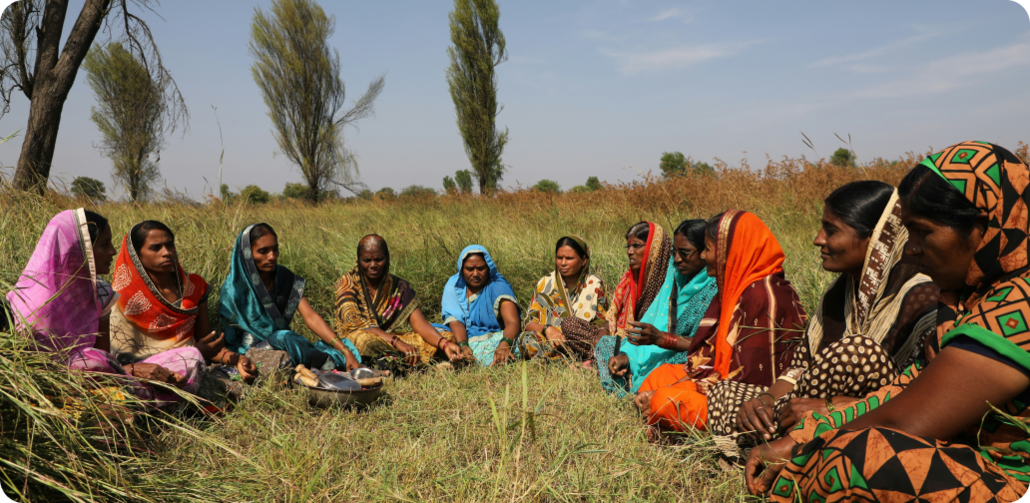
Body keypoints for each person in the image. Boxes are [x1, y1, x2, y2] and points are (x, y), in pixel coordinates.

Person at [746, 142, 1030, 502]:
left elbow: (908, 421)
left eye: (922, 231)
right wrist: (805, 433)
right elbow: (905, 390)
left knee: (861, 456)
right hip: (971, 462)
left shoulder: (1020, 303)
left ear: (982, 228)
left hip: (1012, 482)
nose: (909, 248)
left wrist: (807, 448)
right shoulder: (964, 301)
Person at [709, 181, 939, 454]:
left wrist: (835, 407)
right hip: (808, 403)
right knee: (723, 393)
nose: (818, 239)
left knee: (856, 352)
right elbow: (799, 368)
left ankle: (795, 447)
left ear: (878, 238)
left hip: (883, 417)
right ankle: (788, 442)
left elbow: (929, 393)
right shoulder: (839, 292)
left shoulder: (921, 296)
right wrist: (766, 401)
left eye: (831, 231)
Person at [635, 210, 807, 432]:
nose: (705, 256)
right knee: (661, 375)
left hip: (739, 399)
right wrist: (675, 383)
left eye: (707, 249)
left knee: (664, 400)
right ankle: (662, 417)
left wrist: (674, 388)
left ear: (732, 251)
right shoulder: (732, 288)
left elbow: (745, 382)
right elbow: (711, 358)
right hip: (715, 380)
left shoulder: (764, 296)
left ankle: (662, 418)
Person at [7, 210, 200, 403]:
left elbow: (107, 359)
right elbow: (39, 374)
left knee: (190, 356)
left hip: (109, 376)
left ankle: (150, 398)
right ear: (79, 249)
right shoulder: (36, 303)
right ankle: (155, 400)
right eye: (104, 245)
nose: (113, 251)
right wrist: (132, 371)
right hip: (65, 389)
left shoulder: (99, 293)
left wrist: (135, 373)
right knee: (93, 362)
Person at [109, 221, 253, 391]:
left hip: (192, 364)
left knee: (270, 360)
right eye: (155, 248)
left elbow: (206, 344)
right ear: (136, 255)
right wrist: (191, 354)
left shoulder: (193, 287)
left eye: (170, 245)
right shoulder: (122, 298)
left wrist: (237, 359)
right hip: (146, 376)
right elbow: (119, 360)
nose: (167, 253)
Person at [219, 223, 362, 375]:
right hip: (248, 354)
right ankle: (329, 365)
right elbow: (231, 340)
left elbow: (311, 316)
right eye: (263, 251)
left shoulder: (284, 277)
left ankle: (341, 360)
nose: (272, 256)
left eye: (275, 249)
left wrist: (345, 351)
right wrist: (241, 359)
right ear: (246, 253)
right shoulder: (233, 288)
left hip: (283, 344)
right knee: (285, 338)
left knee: (345, 345)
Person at [599, 219, 718, 398]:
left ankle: (644, 388)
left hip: (687, 357)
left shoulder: (715, 289)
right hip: (655, 348)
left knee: (671, 372)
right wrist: (627, 356)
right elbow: (653, 323)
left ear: (704, 252)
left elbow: (709, 346)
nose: (677, 259)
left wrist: (662, 339)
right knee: (606, 345)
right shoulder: (673, 277)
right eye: (674, 252)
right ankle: (631, 376)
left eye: (684, 253)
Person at [335, 234, 464, 369]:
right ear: (358, 260)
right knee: (364, 341)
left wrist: (444, 343)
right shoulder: (346, 284)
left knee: (446, 336)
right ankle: (412, 366)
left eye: (379, 259)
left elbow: (420, 325)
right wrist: (397, 343)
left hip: (387, 339)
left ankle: (405, 363)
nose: (373, 265)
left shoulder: (399, 287)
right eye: (367, 260)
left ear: (387, 258)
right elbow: (361, 327)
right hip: (355, 340)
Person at [594, 221, 673, 393]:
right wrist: (602, 332)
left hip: (656, 347)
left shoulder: (670, 282)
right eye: (628, 246)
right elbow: (613, 316)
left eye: (636, 246)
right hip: (623, 342)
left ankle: (621, 379)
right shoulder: (629, 280)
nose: (630, 252)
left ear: (654, 247)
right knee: (585, 331)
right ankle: (615, 369)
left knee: (608, 346)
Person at [518, 236, 610, 361]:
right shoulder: (545, 283)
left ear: (583, 260)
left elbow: (601, 322)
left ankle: (575, 358)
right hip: (552, 342)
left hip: (582, 341)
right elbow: (528, 322)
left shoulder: (594, 284)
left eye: (569, 258)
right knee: (526, 339)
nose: (563, 263)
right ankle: (568, 360)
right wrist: (547, 329)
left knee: (572, 326)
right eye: (559, 258)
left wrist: (573, 331)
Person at [431, 245, 521, 366]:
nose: (475, 274)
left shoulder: (498, 285)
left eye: (480, 268)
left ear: (488, 268)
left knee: (526, 340)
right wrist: (463, 345)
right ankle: (460, 359)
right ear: (461, 269)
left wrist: (505, 342)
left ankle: (461, 363)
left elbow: (513, 322)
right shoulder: (453, 285)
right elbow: (456, 322)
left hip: (493, 339)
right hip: (459, 339)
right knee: (432, 333)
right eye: (469, 269)